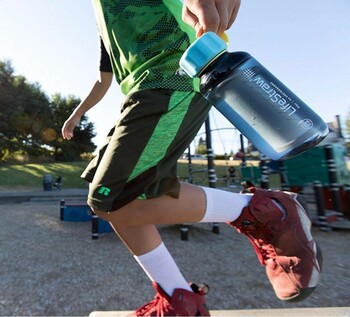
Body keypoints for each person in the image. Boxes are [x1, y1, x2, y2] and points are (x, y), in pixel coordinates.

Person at [62, 0, 322, 315]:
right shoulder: (103, 12)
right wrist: (77, 115)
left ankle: (268, 212)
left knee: (111, 197)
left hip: (174, 74)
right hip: (143, 91)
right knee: (116, 196)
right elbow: (104, 78)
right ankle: (180, 300)